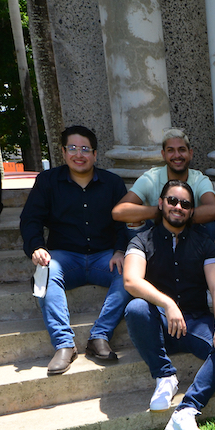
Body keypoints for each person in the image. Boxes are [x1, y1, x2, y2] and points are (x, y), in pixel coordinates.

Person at [123, 180, 215, 430]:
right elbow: (131, 280)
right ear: (160, 204)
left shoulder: (204, 243)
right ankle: (164, 374)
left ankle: (187, 411)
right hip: (158, 325)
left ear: (191, 211)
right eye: (172, 200)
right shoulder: (143, 240)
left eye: (185, 204)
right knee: (136, 307)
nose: (178, 207)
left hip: (194, 321)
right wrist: (167, 303)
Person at [19, 125, 129, 375]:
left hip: (105, 257)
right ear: (63, 151)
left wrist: (121, 250)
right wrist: (36, 247)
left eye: (85, 149)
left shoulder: (112, 183)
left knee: (131, 274)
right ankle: (64, 344)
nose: (79, 154)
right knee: (44, 273)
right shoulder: (48, 181)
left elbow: (124, 224)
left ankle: (99, 337)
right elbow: (30, 219)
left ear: (95, 154)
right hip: (64, 257)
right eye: (72, 148)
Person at [112, 128, 215, 240]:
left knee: (209, 224)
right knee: (133, 221)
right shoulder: (151, 178)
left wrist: (178, 215)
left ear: (190, 153)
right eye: (170, 150)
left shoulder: (199, 179)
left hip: (190, 239)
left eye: (182, 149)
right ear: (163, 154)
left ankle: (207, 257)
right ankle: (142, 255)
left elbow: (213, 209)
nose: (177, 155)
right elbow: (119, 211)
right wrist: (164, 212)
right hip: (156, 239)